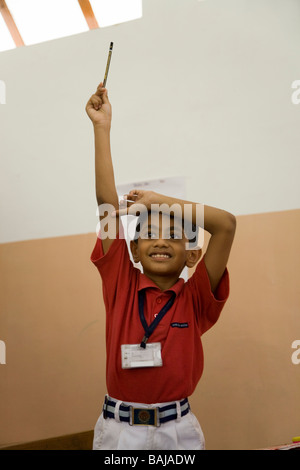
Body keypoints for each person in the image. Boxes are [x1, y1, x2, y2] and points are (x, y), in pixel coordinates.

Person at [85, 83, 236, 450]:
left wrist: (159, 200)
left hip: (178, 431)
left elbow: (226, 224)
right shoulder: (120, 283)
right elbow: (107, 205)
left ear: (192, 255)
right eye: (150, 234)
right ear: (133, 250)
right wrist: (101, 128)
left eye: (174, 235)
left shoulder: (196, 297)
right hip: (120, 432)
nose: (162, 241)